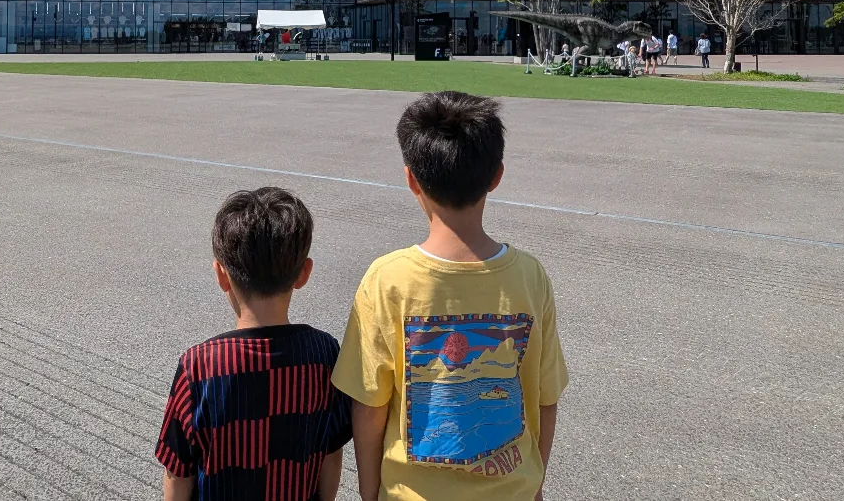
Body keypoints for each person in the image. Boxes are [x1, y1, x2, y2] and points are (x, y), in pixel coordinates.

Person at [334, 92, 568, 501]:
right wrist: (535, 483)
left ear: (411, 180)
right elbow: (546, 400)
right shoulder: (529, 276)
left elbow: (369, 407)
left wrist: (369, 493)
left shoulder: (388, 279)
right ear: (496, 176)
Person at [156, 188, 354, 501]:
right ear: (304, 273)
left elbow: (179, 472)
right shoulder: (324, 353)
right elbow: (331, 450)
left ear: (221, 275)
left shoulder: (199, 366)